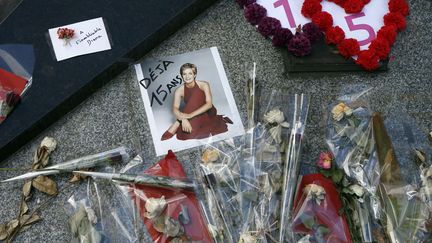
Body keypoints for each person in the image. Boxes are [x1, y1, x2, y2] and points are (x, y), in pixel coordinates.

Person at [161, 63, 232, 141]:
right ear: (181, 76)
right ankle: (179, 122)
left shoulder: (203, 85)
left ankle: (176, 125)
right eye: (184, 74)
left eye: (190, 73)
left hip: (207, 112)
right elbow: (175, 108)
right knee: (185, 135)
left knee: (197, 93)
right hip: (194, 114)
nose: (187, 77)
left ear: (194, 75)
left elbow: (209, 104)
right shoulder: (179, 90)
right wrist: (183, 119)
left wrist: (189, 116)